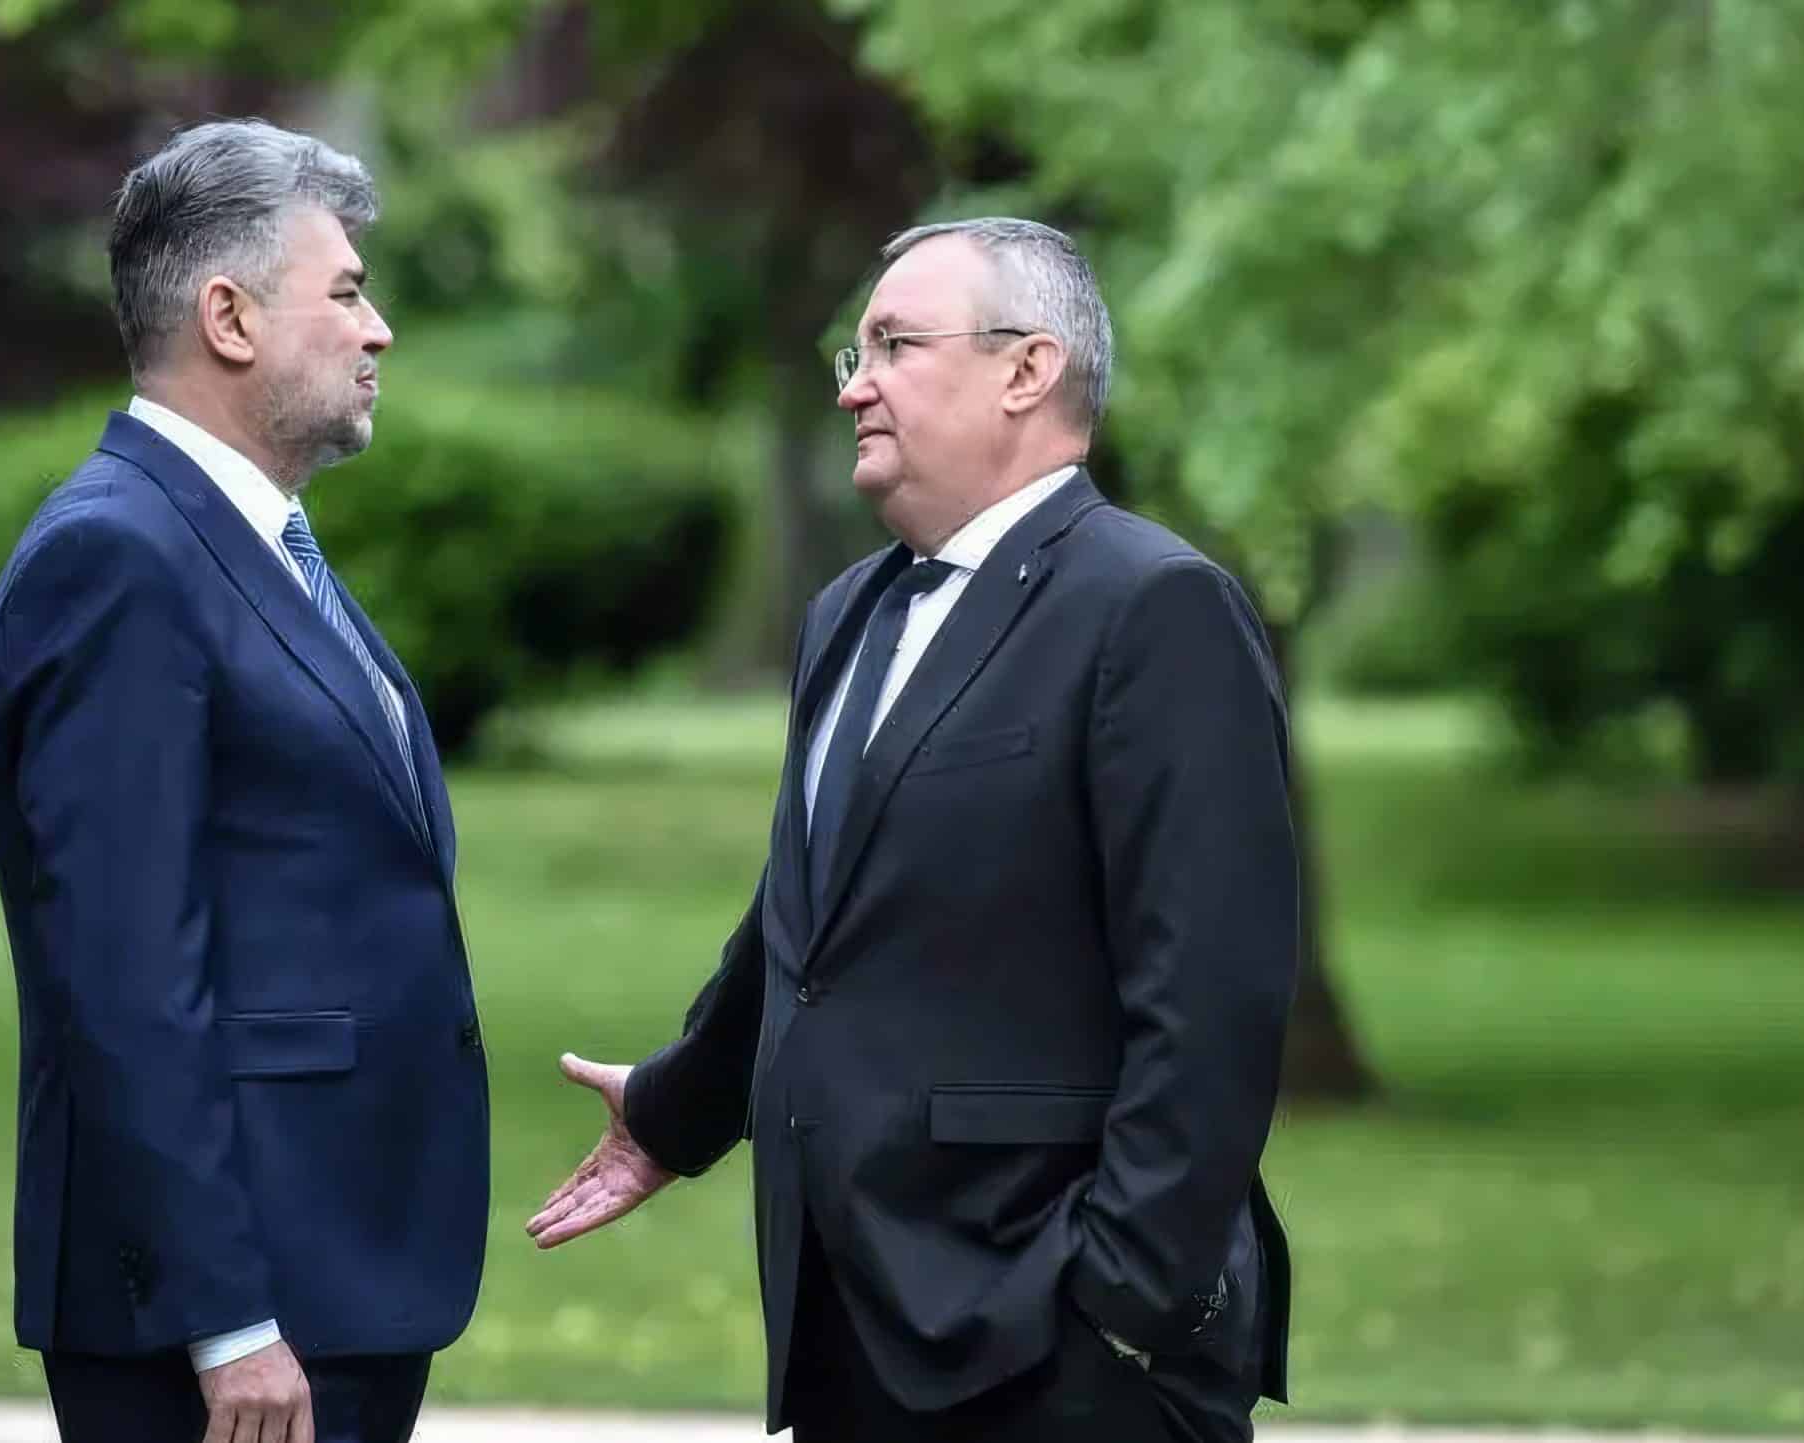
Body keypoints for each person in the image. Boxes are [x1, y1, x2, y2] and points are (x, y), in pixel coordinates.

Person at [529, 218, 1297, 1442]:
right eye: (856, 351)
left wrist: (1122, 1303)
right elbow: (815, 914)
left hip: (1060, 1346)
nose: (853, 386)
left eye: (893, 345)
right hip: (852, 1323)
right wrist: (681, 1105)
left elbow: (1213, 999)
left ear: (1027, 369)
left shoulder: (1153, 608)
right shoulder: (849, 611)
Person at [0, 119, 486, 1443]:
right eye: (347, 292)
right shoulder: (120, 559)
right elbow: (125, 975)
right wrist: (227, 1321)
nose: (378, 331)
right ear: (229, 317)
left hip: (332, 1277)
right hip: (237, 1326)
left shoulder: (244, 540)